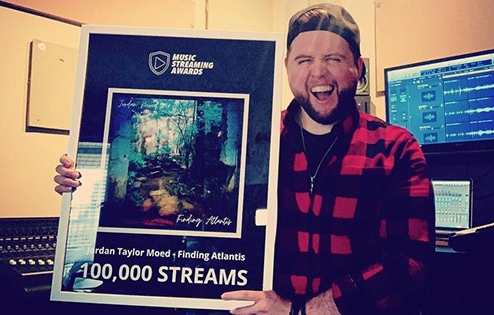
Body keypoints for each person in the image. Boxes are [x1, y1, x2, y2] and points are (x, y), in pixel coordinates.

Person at [55, 3, 435, 315]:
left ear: (359, 68)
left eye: (334, 58)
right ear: (285, 66)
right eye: (304, 60)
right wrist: (87, 187)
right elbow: (199, 229)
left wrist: (301, 311)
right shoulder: (257, 142)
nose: (318, 73)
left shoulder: (395, 148)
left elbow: (410, 267)